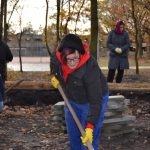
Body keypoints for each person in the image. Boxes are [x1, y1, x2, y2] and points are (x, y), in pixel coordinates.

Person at [50, 34, 109, 150]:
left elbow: (96, 101)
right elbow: (54, 67)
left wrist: (90, 127)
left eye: (75, 58)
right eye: (68, 59)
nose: (72, 62)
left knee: (87, 141)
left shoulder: (89, 67)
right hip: (71, 98)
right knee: (74, 135)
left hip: (92, 101)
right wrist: (56, 77)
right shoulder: (56, 58)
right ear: (62, 56)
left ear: (80, 54)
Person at [0, 40, 13, 112]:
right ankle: (1, 106)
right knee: (1, 90)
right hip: (1, 73)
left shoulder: (4, 46)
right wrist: (5, 60)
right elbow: (10, 57)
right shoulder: (4, 46)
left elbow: (10, 57)